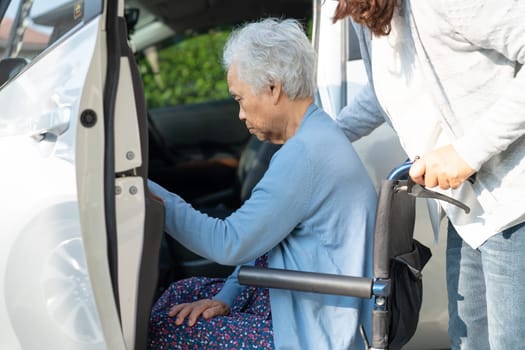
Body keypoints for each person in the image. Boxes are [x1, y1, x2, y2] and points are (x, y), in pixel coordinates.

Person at [147, 18, 377, 350]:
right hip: (304, 302)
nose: (240, 113)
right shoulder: (317, 134)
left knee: (164, 329)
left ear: (273, 87)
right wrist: (226, 297)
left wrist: (148, 193)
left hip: (315, 330)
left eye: (240, 99)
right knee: (179, 295)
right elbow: (267, 241)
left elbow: (229, 243)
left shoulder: (304, 156)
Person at [332, 1, 525, 349]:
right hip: (468, 213)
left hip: (515, 203)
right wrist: (328, 134)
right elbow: (386, 90)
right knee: (468, 341)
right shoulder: (367, 16)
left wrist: (467, 153)